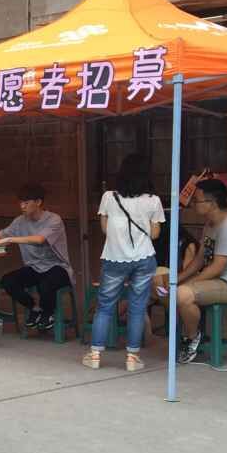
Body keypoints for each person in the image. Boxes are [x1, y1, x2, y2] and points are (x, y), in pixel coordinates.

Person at [82, 154, 164, 372]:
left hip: (114, 258)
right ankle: (132, 358)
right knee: (137, 308)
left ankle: (95, 355)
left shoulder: (109, 197)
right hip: (144, 259)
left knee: (105, 307)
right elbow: (155, 234)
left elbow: (104, 229)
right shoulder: (153, 200)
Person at [175, 179, 227, 364]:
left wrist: (189, 283)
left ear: (212, 203)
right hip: (214, 280)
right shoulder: (210, 225)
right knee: (165, 287)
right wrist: (176, 278)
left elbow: (218, 267)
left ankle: (193, 337)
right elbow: (199, 260)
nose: (193, 204)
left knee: (182, 293)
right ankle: (183, 333)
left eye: (197, 200)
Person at [0, 183, 75, 331]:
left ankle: (48, 313)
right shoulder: (19, 221)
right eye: (20, 203)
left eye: (26, 203)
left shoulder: (54, 220)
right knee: (8, 281)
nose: (22, 206)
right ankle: (35, 308)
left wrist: (10, 239)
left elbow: (39, 239)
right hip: (34, 267)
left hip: (58, 268)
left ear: (38, 202)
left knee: (45, 284)